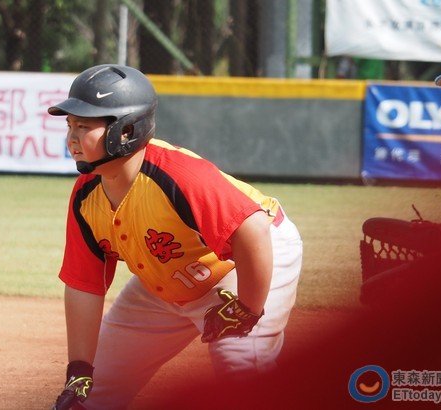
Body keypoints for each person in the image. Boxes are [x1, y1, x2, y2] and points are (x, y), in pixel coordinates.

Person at [47, 64, 302, 409]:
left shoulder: (177, 175)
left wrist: (248, 309)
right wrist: (78, 370)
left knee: (240, 368)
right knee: (91, 392)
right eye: (70, 125)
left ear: (125, 130)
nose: (72, 138)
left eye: (84, 126)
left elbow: (253, 228)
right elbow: (84, 285)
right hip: (167, 280)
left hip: (243, 263)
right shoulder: (85, 194)